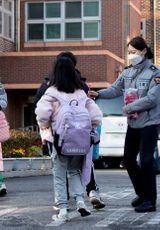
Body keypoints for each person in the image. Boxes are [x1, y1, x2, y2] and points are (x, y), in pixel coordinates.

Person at [88, 36, 160, 212]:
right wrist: (98, 94)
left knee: (146, 160)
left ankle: (150, 200)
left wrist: (129, 107)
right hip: (134, 123)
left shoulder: (155, 73)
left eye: (134, 52)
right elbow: (114, 89)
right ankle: (142, 193)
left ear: (144, 51)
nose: (131, 55)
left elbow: (152, 99)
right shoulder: (127, 72)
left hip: (150, 122)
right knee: (128, 159)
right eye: (129, 52)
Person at [35, 51, 105, 210]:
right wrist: (90, 129)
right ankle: (81, 201)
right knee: (75, 172)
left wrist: (44, 126)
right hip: (80, 139)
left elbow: (42, 113)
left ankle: (62, 206)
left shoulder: (51, 90)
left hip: (59, 139)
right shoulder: (80, 91)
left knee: (59, 174)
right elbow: (96, 115)